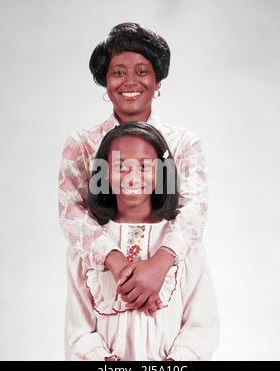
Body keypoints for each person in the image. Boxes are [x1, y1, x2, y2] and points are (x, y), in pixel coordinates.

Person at [58, 22, 208, 318]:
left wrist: (159, 265)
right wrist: (115, 262)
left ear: (157, 81)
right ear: (105, 80)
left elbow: (194, 209)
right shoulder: (84, 146)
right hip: (101, 277)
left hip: (170, 277)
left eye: (142, 71)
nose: (130, 82)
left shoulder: (182, 145)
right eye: (118, 72)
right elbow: (70, 211)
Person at [65, 122, 219, 361]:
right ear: (103, 174)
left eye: (145, 166)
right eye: (120, 166)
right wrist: (101, 359)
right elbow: (78, 328)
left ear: (162, 172)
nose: (133, 177)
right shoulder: (88, 245)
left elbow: (202, 324)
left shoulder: (183, 242)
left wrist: (174, 361)